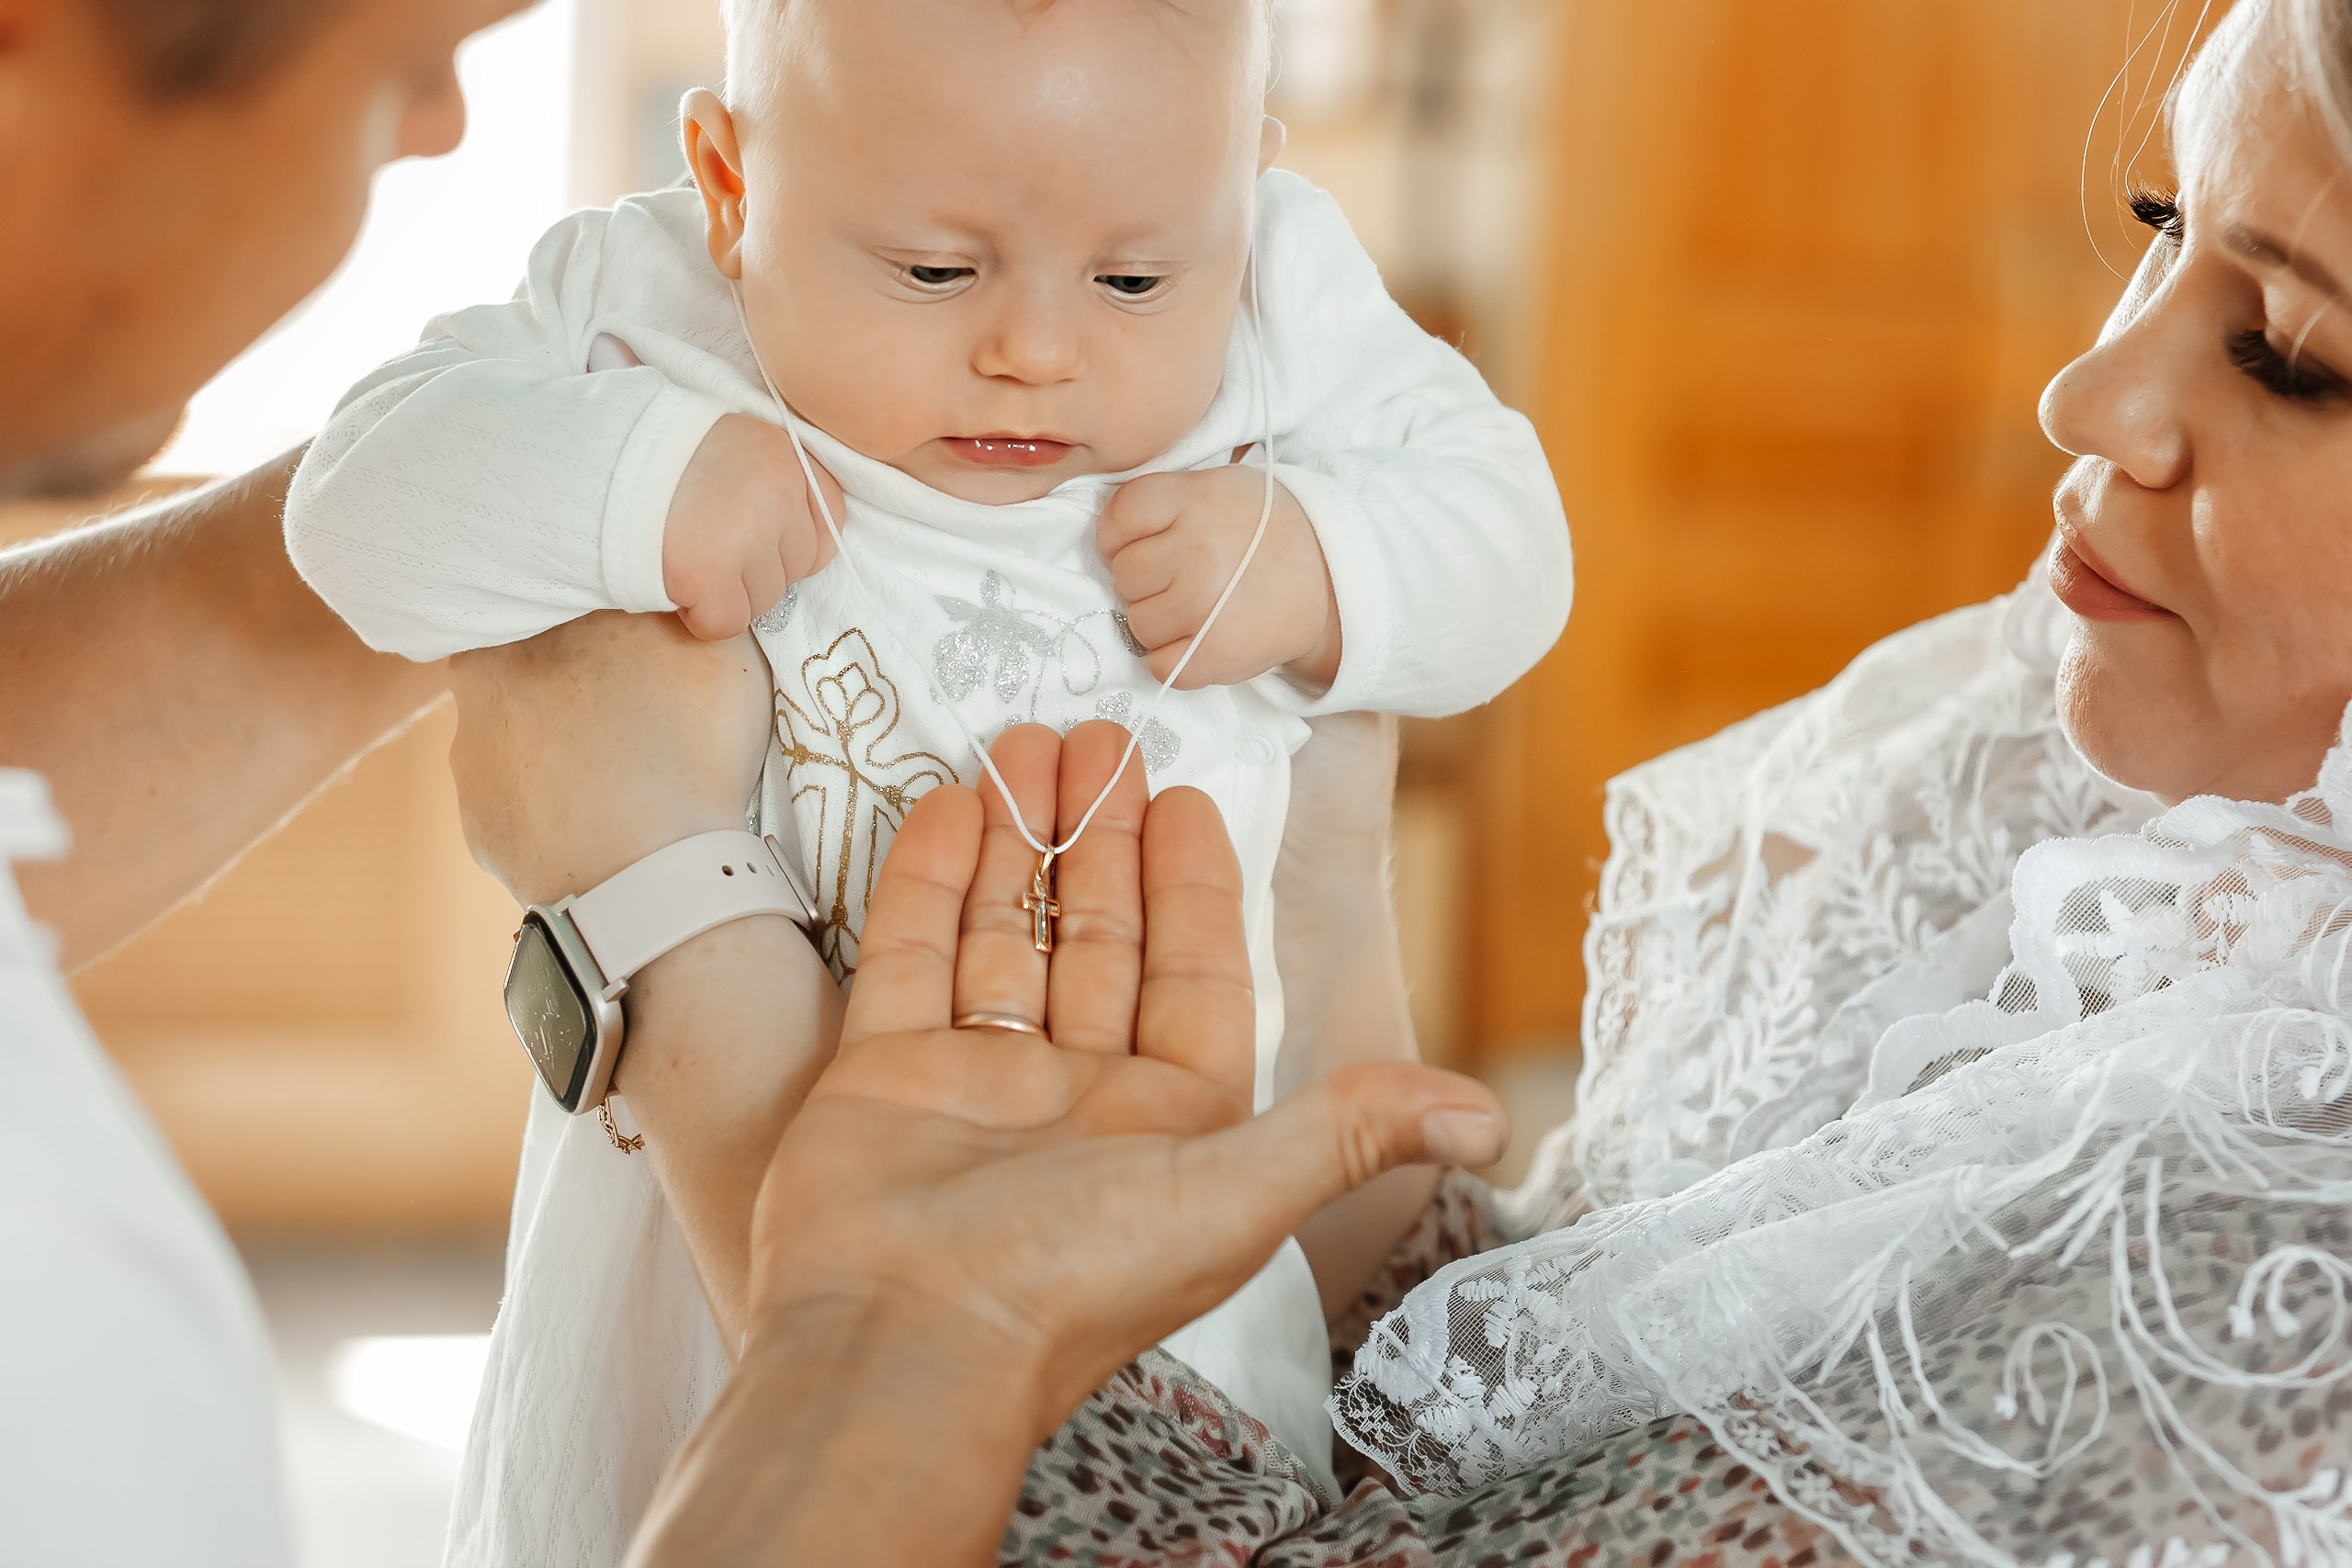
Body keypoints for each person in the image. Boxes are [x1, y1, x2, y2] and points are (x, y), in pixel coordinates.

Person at [0, 0, 1502, 1562]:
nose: (1036, 349)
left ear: (1240, 192)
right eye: (933, 269)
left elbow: (1511, 545)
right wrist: (630, 482)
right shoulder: (655, 298)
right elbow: (347, 512)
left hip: (1180, 1278)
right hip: (690, 1293)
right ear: (731, 183)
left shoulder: (1280, 294)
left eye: (1134, 280)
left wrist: (1327, 561)